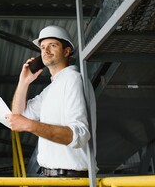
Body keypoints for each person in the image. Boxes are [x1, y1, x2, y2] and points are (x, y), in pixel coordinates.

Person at [6, 25, 95, 178]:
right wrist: (24, 82)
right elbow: (19, 115)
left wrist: (30, 125)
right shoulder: (51, 89)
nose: (46, 51)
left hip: (70, 178)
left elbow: (79, 135)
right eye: (42, 47)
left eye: (52, 45)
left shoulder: (72, 79)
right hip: (52, 178)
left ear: (67, 51)